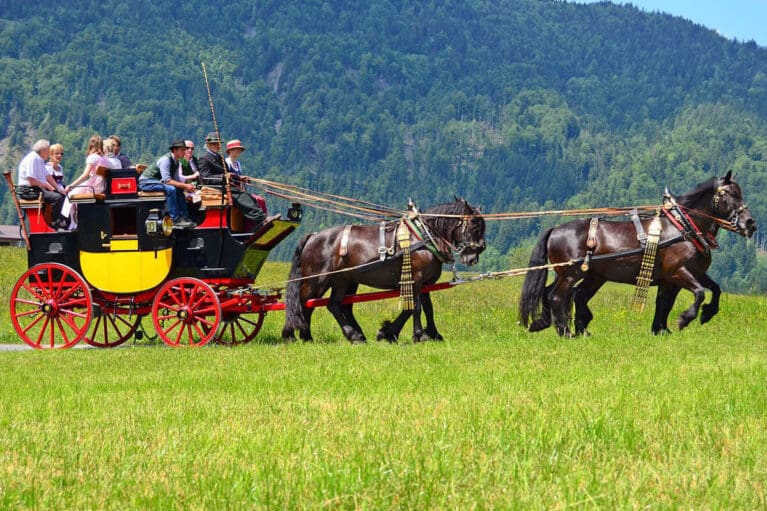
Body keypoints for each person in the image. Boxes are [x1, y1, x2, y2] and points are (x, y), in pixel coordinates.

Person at [198, 132, 275, 227]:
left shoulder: (219, 158)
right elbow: (206, 178)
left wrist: (239, 178)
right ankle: (262, 219)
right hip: (216, 187)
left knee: (249, 197)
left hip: (225, 186)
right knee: (241, 196)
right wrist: (224, 177)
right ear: (208, 145)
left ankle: (255, 224)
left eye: (218, 143)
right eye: (214, 143)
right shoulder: (204, 159)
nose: (217, 146)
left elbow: (229, 174)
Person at [138, 139, 196, 229]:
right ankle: (175, 219)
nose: (185, 152)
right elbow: (167, 181)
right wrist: (185, 186)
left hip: (156, 182)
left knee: (178, 189)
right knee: (171, 189)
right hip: (146, 182)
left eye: (185, 149)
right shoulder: (166, 160)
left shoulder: (176, 161)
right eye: (182, 149)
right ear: (175, 150)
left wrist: (187, 187)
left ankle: (184, 217)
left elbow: (176, 180)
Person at [16, 139, 67, 230]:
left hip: (35, 189)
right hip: (28, 190)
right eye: (48, 151)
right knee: (56, 197)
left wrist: (57, 188)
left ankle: (58, 221)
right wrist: (46, 185)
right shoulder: (33, 159)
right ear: (43, 150)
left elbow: (47, 175)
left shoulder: (39, 159)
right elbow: (31, 180)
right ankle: (55, 222)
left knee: (60, 195)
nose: (48, 154)